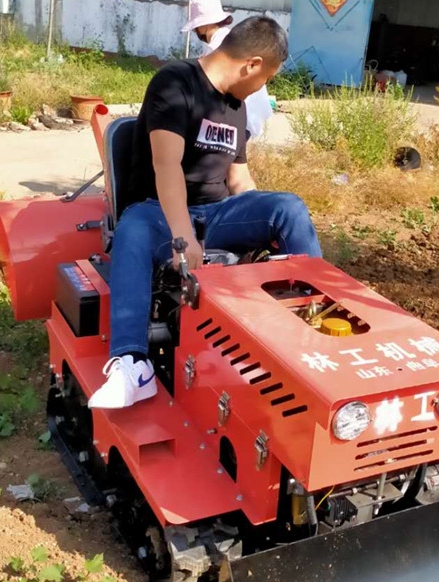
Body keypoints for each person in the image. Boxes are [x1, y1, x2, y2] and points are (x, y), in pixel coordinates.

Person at [88, 16, 322, 410]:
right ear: (252, 65)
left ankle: (313, 322)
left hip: (218, 212)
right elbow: (167, 167)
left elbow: (239, 180)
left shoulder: (238, 106)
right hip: (159, 211)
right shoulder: (175, 83)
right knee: (133, 231)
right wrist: (183, 236)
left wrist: (262, 219)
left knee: (288, 207)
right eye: (268, 78)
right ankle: (132, 363)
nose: (265, 87)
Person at [182, 0, 273, 139]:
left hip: (237, 119)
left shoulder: (217, 49)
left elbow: (211, 90)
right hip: (246, 117)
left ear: (204, 25)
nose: (196, 31)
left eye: (196, 27)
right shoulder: (230, 39)